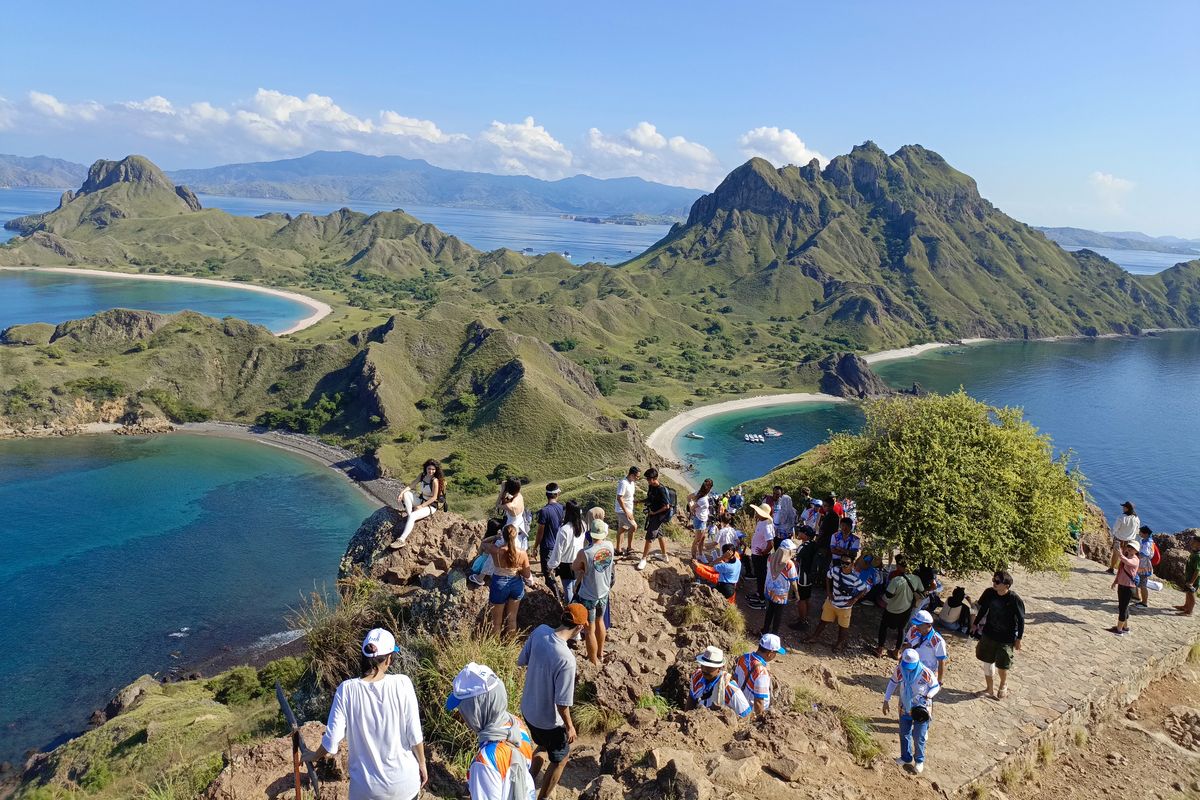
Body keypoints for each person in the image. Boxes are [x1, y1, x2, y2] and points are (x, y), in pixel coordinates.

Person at [303, 628, 427, 800]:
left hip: (367, 791)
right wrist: (422, 763)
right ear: (389, 659)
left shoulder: (346, 690)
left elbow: (332, 741)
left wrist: (313, 755)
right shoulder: (403, 684)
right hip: (404, 785)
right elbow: (414, 734)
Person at [518, 604, 586, 800]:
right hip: (549, 721)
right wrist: (570, 726)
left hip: (529, 710)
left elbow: (522, 660)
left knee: (542, 746)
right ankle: (542, 798)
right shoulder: (566, 659)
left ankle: (526, 783)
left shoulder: (541, 631)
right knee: (561, 759)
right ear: (580, 627)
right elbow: (562, 703)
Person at [446, 662, 535, 800]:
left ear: (475, 710)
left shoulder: (485, 761)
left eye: (463, 708)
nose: (462, 715)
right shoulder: (517, 725)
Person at [882, 649, 941, 775]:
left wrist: (929, 695)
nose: (908, 669)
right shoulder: (899, 670)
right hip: (905, 707)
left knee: (919, 736)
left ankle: (919, 760)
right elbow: (892, 683)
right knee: (904, 733)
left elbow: (935, 686)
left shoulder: (925, 672)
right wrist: (886, 700)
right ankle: (905, 757)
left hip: (921, 708)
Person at [972, 571, 1025, 699]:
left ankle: (1003, 684)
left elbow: (1021, 619)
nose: (994, 583)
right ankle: (989, 689)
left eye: (997, 581)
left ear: (1006, 585)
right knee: (987, 661)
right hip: (989, 633)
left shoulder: (1014, 599)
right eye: (993, 580)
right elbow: (983, 609)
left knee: (1002, 665)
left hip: (1006, 637)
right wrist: (975, 623)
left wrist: (1019, 638)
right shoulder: (990, 593)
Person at [573, 519, 615, 664]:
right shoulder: (610, 546)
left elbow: (575, 567)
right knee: (600, 621)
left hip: (588, 595)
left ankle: (593, 660)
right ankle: (600, 653)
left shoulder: (585, 552)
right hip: (604, 592)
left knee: (590, 629)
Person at [806, 558, 869, 653]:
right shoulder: (835, 570)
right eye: (842, 562)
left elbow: (863, 589)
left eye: (847, 563)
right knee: (823, 621)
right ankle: (814, 637)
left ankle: (839, 644)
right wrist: (829, 592)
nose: (844, 565)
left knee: (843, 627)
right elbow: (828, 577)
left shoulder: (854, 578)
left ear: (852, 564)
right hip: (831, 602)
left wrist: (854, 599)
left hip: (845, 607)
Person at [485, 524, 533, 636]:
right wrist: (518, 568)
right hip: (516, 583)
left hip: (499, 583)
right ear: (515, 536)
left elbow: (483, 543)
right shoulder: (522, 553)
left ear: (504, 536)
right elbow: (526, 574)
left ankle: (494, 647)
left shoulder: (496, 550)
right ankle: (510, 646)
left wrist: (496, 537)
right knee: (512, 620)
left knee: (496, 622)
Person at [390, 459, 444, 549]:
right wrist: (401, 493)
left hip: (430, 505)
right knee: (406, 494)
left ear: (436, 470)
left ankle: (401, 540)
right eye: (429, 469)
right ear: (425, 468)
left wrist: (421, 506)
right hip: (421, 500)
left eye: (433, 469)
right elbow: (411, 486)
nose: (431, 471)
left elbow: (434, 498)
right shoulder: (422, 476)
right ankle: (411, 517)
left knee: (412, 516)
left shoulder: (435, 481)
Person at [685, 645, 751, 717]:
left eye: (709, 667)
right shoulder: (696, 676)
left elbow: (746, 715)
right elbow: (691, 699)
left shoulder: (730, 689)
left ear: (719, 668)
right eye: (703, 665)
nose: (704, 669)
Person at [877, 557, 924, 658]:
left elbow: (888, 595)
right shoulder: (916, 578)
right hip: (906, 609)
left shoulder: (896, 580)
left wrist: (881, 600)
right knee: (901, 630)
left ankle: (880, 649)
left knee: (883, 627)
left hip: (891, 609)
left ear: (899, 566)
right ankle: (896, 652)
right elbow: (922, 590)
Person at [732, 634, 787, 716]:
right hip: (749, 713)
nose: (775, 655)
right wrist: (759, 720)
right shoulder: (761, 672)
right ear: (770, 653)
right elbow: (759, 702)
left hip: (738, 706)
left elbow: (734, 679)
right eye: (776, 653)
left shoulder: (744, 657)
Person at [545, 500, 586, 603]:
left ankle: (569, 612)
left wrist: (551, 565)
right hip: (579, 561)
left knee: (568, 590)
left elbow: (558, 550)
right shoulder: (583, 526)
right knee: (577, 588)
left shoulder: (564, 529)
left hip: (566, 565)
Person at [761, 540, 799, 636]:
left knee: (770, 610)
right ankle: (774, 635)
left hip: (769, 588)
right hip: (780, 593)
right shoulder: (789, 564)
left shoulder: (770, 557)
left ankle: (764, 630)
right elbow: (793, 581)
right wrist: (797, 594)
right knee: (778, 614)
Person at [533, 484, 565, 596]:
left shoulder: (544, 511)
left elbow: (540, 532)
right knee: (561, 573)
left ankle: (557, 598)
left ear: (546, 494)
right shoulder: (562, 508)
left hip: (547, 546)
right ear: (557, 494)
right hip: (560, 545)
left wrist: (535, 546)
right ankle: (564, 595)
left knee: (548, 576)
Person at [637, 468, 671, 571]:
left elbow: (667, 506)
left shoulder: (661, 490)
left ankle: (643, 559)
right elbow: (649, 499)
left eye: (649, 479)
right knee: (659, 535)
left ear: (654, 478)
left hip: (658, 516)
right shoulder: (651, 486)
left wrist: (654, 513)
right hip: (653, 513)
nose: (647, 480)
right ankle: (664, 556)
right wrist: (639, 501)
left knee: (650, 536)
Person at [903, 610, 948, 683]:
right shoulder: (913, 630)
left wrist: (939, 681)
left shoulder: (938, 641)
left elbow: (941, 662)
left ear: (929, 625)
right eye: (916, 624)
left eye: (920, 625)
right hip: (911, 669)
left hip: (927, 675)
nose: (917, 627)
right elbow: (907, 646)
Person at [788, 526, 818, 632]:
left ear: (805, 535)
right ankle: (804, 617)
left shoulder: (803, 547)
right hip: (810, 576)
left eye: (800, 532)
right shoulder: (813, 545)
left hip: (802, 577)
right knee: (807, 598)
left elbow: (796, 562)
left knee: (801, 600)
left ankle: (802, 621)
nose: (798, 533)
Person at [1110, 539, 1140, 636]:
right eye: (1129, 547)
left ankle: (1119, 630)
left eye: (1132, 548)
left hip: (1129, 587)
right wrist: (1115, 581)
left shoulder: (1135, 560)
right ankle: (1125, 627)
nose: (1130, 549)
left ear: (1136, 550)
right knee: (1123, 607)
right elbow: (1120, 571)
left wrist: (1120, 554)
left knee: (1123, 608)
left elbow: (1128, 561)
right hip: (1122, 585)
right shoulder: (1125, 557)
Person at [1107, 501, 1140, 574]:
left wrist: (1114, 534)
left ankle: (1111, 568)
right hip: (1130, 541)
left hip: (1119, 538)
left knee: (1115, 554)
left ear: (1127, 509)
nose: (1123, 508)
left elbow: (1115, 528)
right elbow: (1137, 530)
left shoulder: (1121, 517)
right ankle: (1121, 571)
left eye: (1124, 507)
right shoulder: (1136, 518)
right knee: (1125, 556)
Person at [615, 466, 640, 557]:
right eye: (637, 476)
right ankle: (629, 548)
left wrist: (634, 502)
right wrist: (627, 512)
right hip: (622, 510)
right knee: (634, 526)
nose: (638, 478)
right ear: (632, 475)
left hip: (628, 509)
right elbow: (619, 497)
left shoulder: (631, 483)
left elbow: (628, 497)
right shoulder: (623, 483)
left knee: (622, 529)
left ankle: (618, 549)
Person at [498, 478, 529, 550]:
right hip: (520, 526)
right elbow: (510, 497)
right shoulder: (519, 496)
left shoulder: (510, 506)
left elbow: (497, 505)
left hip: (511, 528)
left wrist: (503, 490)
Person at [688, 478, 715, 560]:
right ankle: (694, 557)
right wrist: (692, 509)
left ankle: (700, 554)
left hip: (702, 519)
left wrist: (692, 508)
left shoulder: (699, 493)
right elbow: (692, 507)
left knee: (702, 538)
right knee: (697, 540)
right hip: (699, 520)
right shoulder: (703, 500)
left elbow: (688, 497)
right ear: (710, 488)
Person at [1176, 536, 1200, 616]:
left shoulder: (1198, 556)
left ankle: (1189, 611)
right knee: (1187, 592)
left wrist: (1192, 582)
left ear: (1199, 545)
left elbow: (1197, 570)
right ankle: (1185, 606)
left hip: (1194, 580)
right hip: (1189, 577)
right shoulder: (1194, 552)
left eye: (1194, 542)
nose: (1191, 542)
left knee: (1191, 593)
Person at [1136, 525, 1156, 608]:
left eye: (1141, 532)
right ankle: (1138, 597)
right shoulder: (1148, 541)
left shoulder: (1147, 544)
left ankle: (1144, 602)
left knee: (1143, 584)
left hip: (1144, 566)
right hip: (1143, 565)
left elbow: (1144, 554)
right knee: (1139, 582)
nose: (1139, 533)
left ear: (1146, 534)